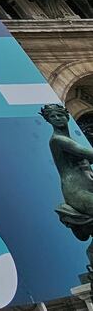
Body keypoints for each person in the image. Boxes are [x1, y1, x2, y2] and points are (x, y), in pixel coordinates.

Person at [42, 103, 93, 274]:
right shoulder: (58, 140)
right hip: (76, 191)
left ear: (67, 116)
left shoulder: (70, 138)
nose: (57, 119)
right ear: (48, 121)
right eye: (52, 117)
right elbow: (88, 154)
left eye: (59, 115)